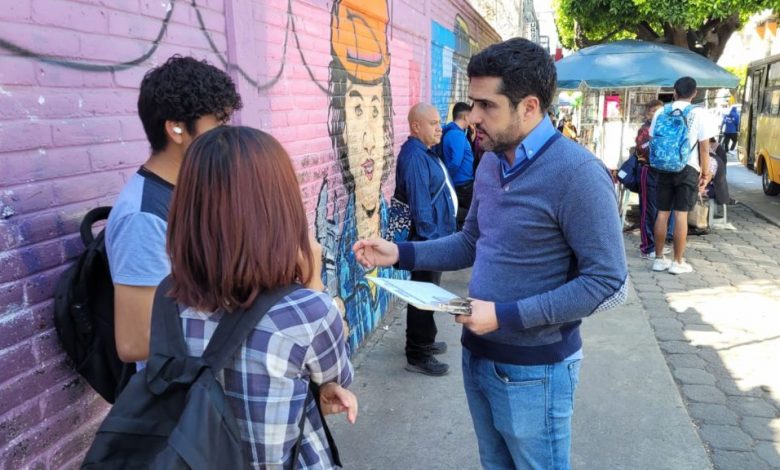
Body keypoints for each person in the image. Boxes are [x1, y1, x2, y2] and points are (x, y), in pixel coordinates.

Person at [354, 38, 628, 469]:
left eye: (487, 105)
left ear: (529, 107)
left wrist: (505, 316)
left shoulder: (578, 174)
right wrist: (400, 253)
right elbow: (470, 242)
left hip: (536, 371)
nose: (473, 116)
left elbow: (606, 281)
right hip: (478, 355)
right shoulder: (491, 162)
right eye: (473, 103)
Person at [166, 126, 357, 467]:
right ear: (280, 209)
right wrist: (313, 281)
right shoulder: (306, 311)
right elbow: (337, 379)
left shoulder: (168, 301)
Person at [105, 56, 243, 363]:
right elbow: (135, 341)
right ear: (177, 129)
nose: (227, 135)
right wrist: (248, 326)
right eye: (219, 122)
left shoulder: (194, 187)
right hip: (182, 386)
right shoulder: (143, 218)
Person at [394, 103, 457, 376]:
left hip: (433, 240)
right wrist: (432, 246)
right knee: (422, 295)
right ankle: (418, 353)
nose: (439, 128)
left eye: (439, 122)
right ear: (416, 126)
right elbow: (420, 207)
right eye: (433, 123)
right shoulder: (415, 157)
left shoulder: (424, 152)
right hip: (427, 242)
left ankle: (425, 341)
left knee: (428, 293)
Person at [650, 77, 714, 274]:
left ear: (674, 92)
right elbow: (704, 148)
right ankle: (678, 262)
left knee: (662, 213)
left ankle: (658, 259)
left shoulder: (661, 111)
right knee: (680, 215)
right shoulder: (699, 113)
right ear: (694, 93)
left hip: (663, 167)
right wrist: (706, 173)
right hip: (687, 168)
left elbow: (653, 140)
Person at [635, 99, 673, 259]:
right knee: (648, 210)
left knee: (660, 210)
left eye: (660, 111)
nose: (657, 115)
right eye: (653, 111)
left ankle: (657, 244)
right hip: (648, 171)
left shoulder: (663, 128)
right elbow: (645, 151)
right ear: (647, 114)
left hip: (662, 172)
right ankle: (647, 246)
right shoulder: (644, 130)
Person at [441, 102, 475, 229]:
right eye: (471, 116)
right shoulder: (457, 135)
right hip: (463, 185)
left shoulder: (455, 133)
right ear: (465, 117)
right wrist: (448, 178)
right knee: (469, 220)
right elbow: (455, 162)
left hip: (461, 184)